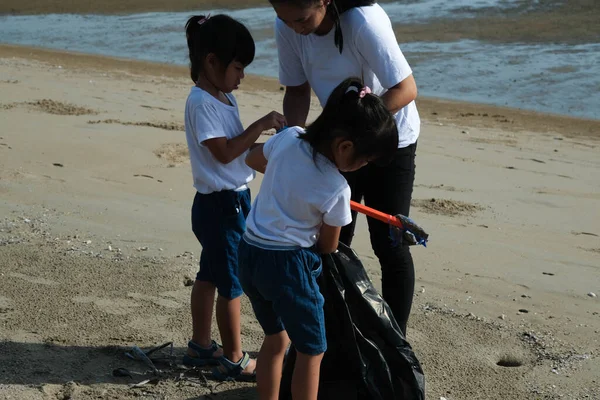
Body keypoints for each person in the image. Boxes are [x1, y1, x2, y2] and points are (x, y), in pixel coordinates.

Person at [238, 77, 398, 400]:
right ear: (345, 147)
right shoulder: (337, 189)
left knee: (276, 338)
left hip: (249, 252)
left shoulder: (290, 138)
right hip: (287, 267)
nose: (362, 167)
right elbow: (328, 246)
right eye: (364, 160)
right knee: (312, 350)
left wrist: (287, 177)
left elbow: (252, 159)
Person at [269, 0, 420, 335]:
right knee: (332, 240)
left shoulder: (364, 22)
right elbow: (296, 90)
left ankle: (395, 340)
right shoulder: (287, 25)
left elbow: (406, 89)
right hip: (338, 144)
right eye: (285, 20)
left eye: (301, 19)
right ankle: (334, 335)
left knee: (389, 244)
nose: (295, 28)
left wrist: (357, 129)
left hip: (388, 139)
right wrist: (293, 141)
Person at [182, 14, 286, 381]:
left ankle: (200, 344)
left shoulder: (221, 97)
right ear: (212, 61)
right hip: (220, 207)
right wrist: (260, 125)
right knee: (231, 284)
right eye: (238, 67)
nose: (242, 76)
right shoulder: (202, 103)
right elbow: (225, 153)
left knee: (209, 275)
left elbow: (238, 151)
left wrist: (276, 150)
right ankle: (234, 357)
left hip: (229, 201)